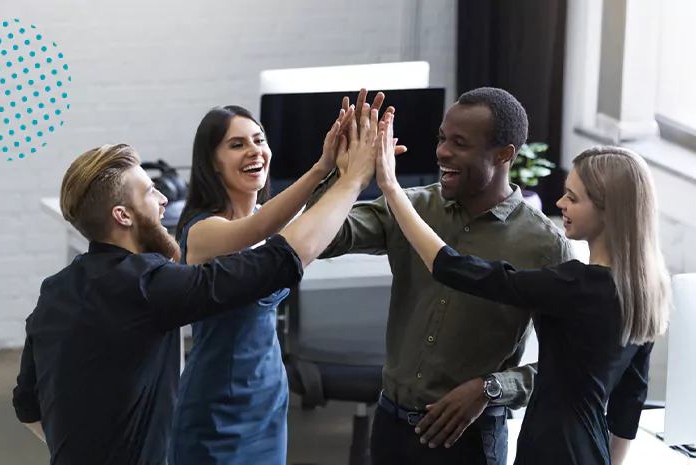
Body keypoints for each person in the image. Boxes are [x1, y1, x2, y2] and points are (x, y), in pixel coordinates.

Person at [11, 125, 380, 465]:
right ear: (122, 215)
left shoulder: (55, 290)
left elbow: (27, 406)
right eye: (150, 192)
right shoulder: (146, 287)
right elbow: (276, 262)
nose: (162, 201)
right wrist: (352, 182)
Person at [373, 113, 670, 465]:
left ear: (608, 212)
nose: (561, 205)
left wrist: (391, 188)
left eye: (573, 199)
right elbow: (630, 401)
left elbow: (453, 268)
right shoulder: (646, 291)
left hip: (550, 448)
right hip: (591, 452)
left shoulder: (577, 285)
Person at [306, 88, 575, 465]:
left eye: (459, 143)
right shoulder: (412, 206)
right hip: (390, 431)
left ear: (503, 155)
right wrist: (339, 171)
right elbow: (325, 237)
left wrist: (491, 388)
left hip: (468, 442)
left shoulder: (544, 247)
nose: (442, 152)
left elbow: (568, 365)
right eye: (442, 138)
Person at [166, 102, 387, 464]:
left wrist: (338, 166)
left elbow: (299, 222)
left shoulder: (262, 217)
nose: (254, 151)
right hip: (217, 402)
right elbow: (262, 231)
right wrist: (341, 176)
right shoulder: (203, 231)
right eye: (236, 145)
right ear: (212, 163)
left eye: (258, 140)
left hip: (268, 393)